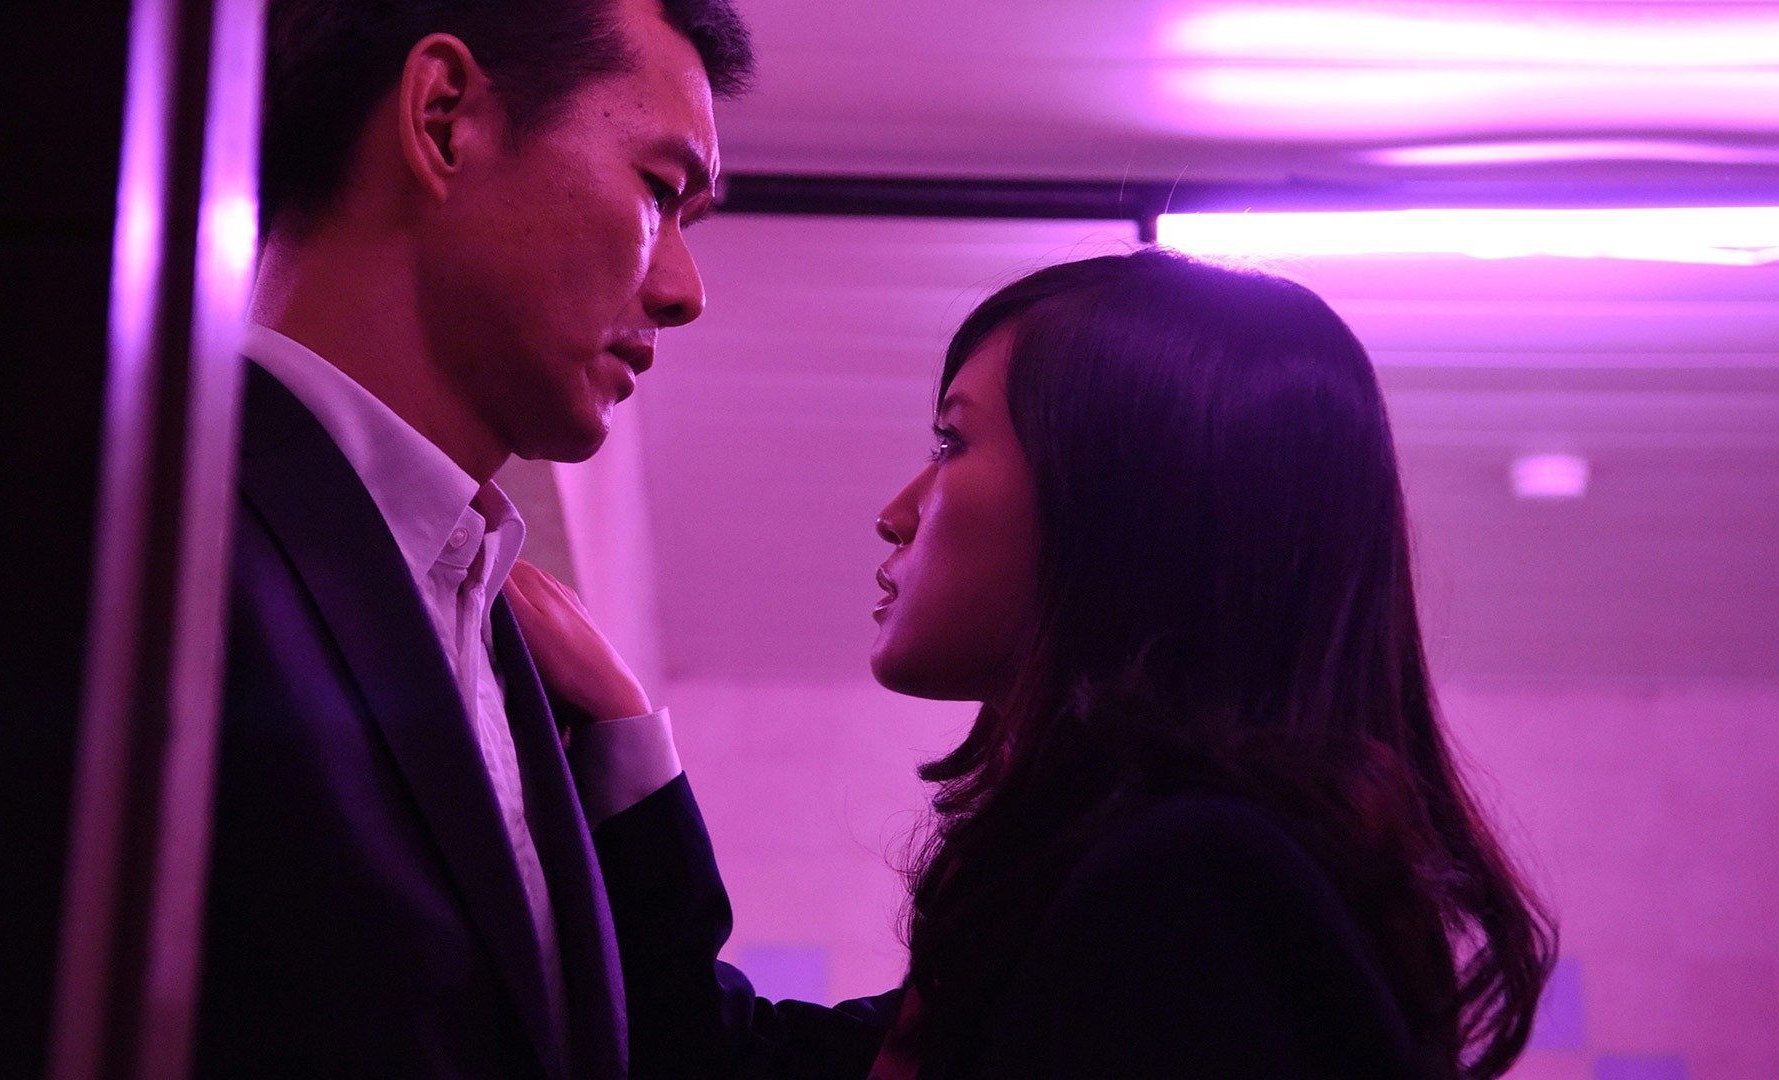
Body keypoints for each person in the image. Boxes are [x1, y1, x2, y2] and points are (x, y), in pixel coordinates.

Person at [511, 248, 1558, 1078]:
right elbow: (727, 1061)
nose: (897, 512)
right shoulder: (1149, 877)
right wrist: (626, 736)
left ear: (1121, 505)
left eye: (952, 443)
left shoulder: (1192, 887)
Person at [200, 1, 751, 1076]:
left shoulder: (497, 635)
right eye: (660, 190)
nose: (685, 292)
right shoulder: (167, 535)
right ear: (445, 118)